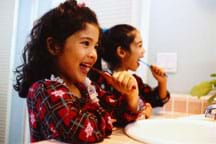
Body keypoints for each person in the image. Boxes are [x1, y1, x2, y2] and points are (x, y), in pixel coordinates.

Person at [13, 1, 142, 143]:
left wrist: (131, 95)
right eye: (86, 43)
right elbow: (80, 131)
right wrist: (107, 118)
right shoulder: (43, 90)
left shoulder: (85, 87)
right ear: (54, 46)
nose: (94, 54)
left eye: (95, 46)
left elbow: (120, 114)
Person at [89, 24, 170, 121]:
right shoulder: (103, 82)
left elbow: (155, 99)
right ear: (122, 52)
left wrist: (162, 82)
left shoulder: (135, 81)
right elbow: (114, 113)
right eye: (139, 46)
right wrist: (142, 109)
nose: (143, 51)